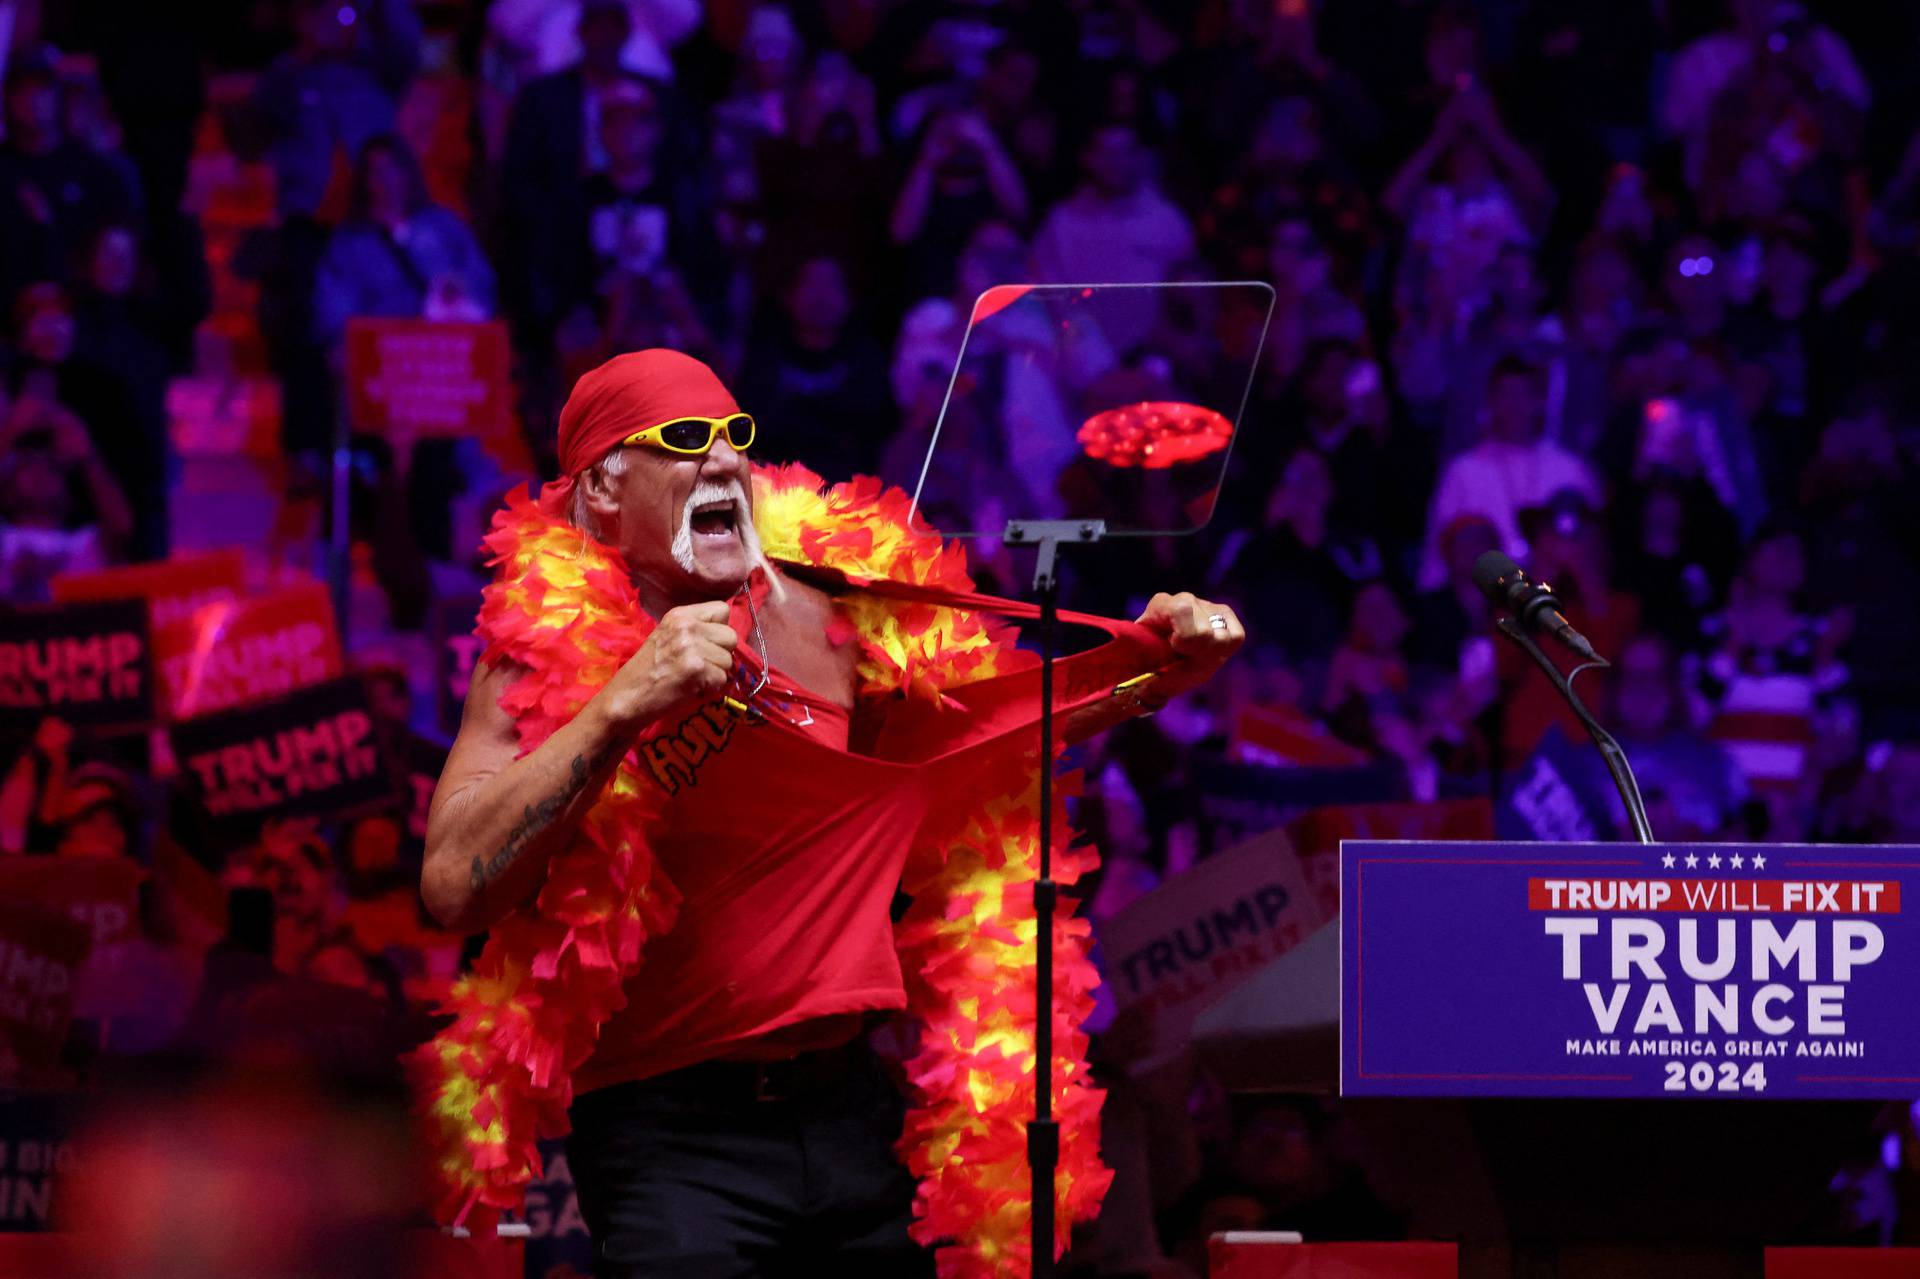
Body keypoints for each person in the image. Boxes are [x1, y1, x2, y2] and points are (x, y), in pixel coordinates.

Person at [415, 349, 1246, 1275]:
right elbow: (452, 885)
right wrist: (620, 704)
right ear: (603, 495)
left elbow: (976, 730)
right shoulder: (541, 654)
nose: (723, 459)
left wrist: (1152, 667)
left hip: (848, 1106)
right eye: (684, 442)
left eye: (737, 438)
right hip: (672, 1134)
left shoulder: (820, 609)